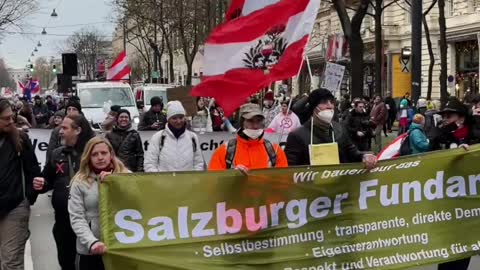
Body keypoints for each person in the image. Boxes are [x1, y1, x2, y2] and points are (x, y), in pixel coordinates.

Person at [37, 114, 95, 270]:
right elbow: (47, 180)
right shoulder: (57, 154)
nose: (60, 131)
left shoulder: (93, 154)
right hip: (63, 221)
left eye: (64, 128)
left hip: (89, 221)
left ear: (78, 130)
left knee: (88, 263)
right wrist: (41, 184)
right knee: (66, 261)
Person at [68, 137, 129, 270]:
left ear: (111, 154)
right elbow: (77, 217)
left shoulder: (127, 176)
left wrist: (116, 183)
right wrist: (92, 242)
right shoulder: (79, 182)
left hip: (122, 246)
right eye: (94, 154)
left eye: (104, 153)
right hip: (91, 250)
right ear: (88, 157)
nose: (100, 157)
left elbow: (137, 202)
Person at [285, 88, 377, 168]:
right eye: (324, 102)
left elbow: (353, 153)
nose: (330, 106)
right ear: (314, 108)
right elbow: (290, 169)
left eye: (331, 102)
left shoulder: (339, 129)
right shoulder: (297, 136)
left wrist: (364, 156)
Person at [0, 98, 42, 270]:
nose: (11, 121)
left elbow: (33, 170)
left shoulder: (21, 139)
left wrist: (27, 199)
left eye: (12, 117)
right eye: (6, 118)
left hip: (14, 207)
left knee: (11, 261)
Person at [209, 103, 288, 171]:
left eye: (259, 120)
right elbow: (214, 183)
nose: (255, 125)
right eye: (250, 121)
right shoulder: (224, 151)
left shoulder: (275, 151)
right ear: (242, 122)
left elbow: (285, 183)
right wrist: (232, 176)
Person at [144, 101, 204, 172]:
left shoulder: (193, 137)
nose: (178, 121)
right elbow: (150, 164)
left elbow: (198, 163)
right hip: (164, 182)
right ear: (168, 119)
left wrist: (193, 180)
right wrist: (159, 181)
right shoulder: (158, 137)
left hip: (188, 182)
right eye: (174, 118)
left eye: (181, 117)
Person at [46, 100, 82, 164]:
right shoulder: (57, 131)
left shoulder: (85, 128)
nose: (71, 111)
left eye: (74, 109)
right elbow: (50, 152)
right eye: (69, 109)